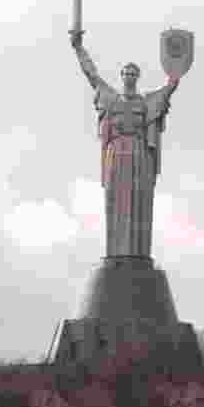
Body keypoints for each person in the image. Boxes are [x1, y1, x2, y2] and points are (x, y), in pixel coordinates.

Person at [70, 31, 179, 258]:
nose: (130, 76)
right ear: (121, 76)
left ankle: (137, 253)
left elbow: (167, 90)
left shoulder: (145, 102)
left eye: (133, 73)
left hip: (138, 154)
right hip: (117, 154)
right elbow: (91, 74)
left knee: (139, 201)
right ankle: (115, 253)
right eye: (127, 73)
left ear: (137, 77)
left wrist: (174, 76)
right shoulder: (111, 98)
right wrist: (79, 48)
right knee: (116, 201)